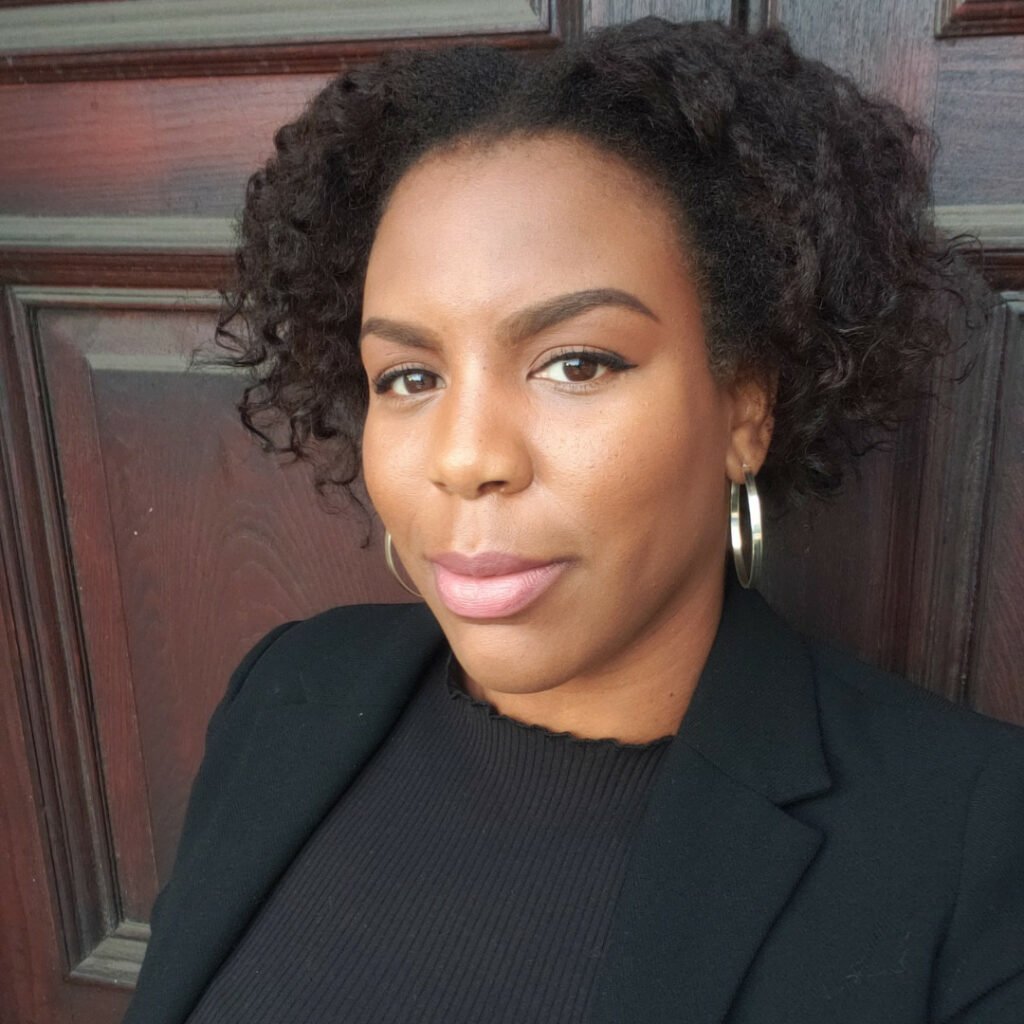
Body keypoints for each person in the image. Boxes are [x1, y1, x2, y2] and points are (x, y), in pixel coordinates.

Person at [124, 16, 1024, 1024]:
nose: (466, 457)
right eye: (409, 376)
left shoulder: (973, 846)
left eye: (576, 363)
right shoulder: (287, 689)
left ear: (745, 408)